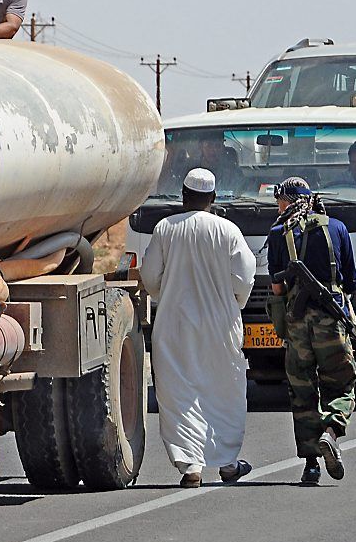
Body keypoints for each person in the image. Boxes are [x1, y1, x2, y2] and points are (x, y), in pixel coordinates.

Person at [140, 168, 256, 488]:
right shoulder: (228, 229)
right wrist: (234, 302)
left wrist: (165, 294)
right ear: (213, 199)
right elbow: (244, 278)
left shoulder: (165, 228)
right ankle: (228, 463)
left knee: (179, 392)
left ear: (183, 196)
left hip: (175, 324)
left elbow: (150, 277)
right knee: (223, 389)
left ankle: (191, 466)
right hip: (221, 324)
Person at [266, 177, 356, 485]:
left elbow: (277, 287)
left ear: (287, 200)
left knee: (303, 393)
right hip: (331, 323)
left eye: (279, 200)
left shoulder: (279, 233)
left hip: (296, 325)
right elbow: (350, 283)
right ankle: (331, 433)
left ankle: (311, 466)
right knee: (343, 385)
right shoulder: (337, 229)